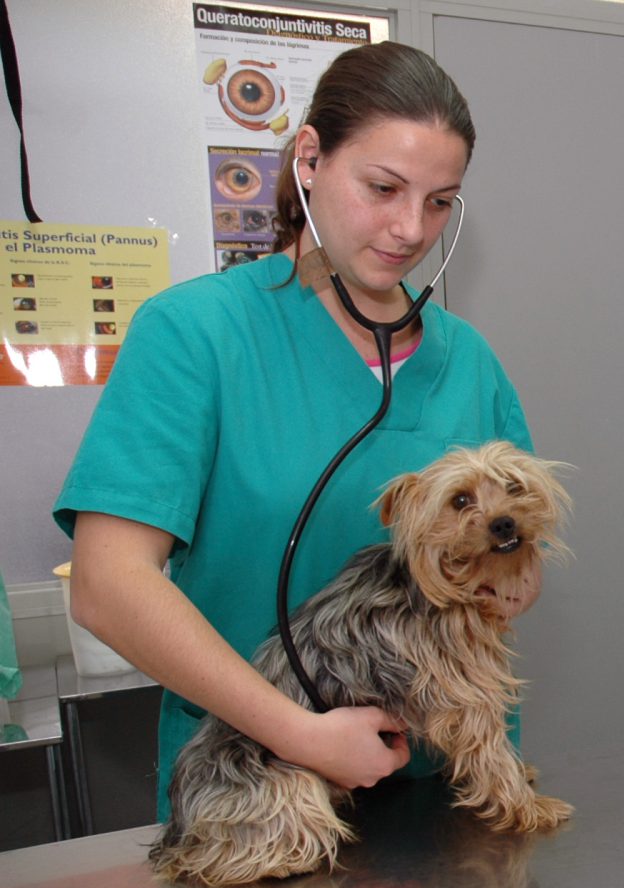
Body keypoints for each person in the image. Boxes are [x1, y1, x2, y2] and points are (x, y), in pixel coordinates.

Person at [54, 41, 539, 823]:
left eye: (441, 201)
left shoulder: (467, 359)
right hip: (263, 786)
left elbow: (516, 569)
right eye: (382, 188)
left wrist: (504, 573)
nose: (411, 227)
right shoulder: (194, 334)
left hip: (447, 798)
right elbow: (109, 587)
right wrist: (304, 734)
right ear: (309, 158)